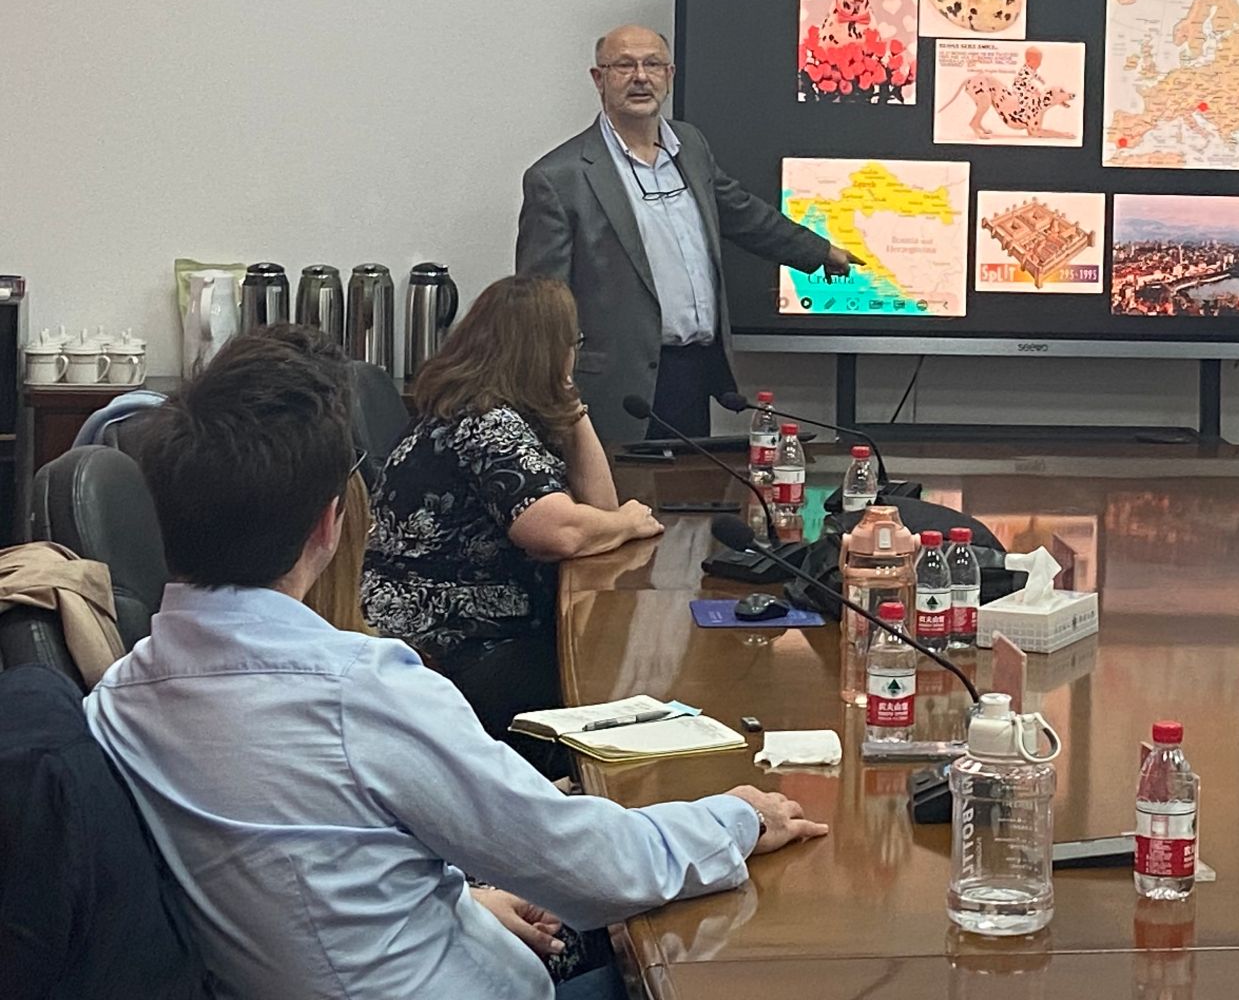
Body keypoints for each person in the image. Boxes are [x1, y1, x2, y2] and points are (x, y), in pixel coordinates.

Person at [84, 333, 827, 1000]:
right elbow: (600, 869)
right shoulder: (359, 692)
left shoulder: (116, 700)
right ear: (330, 523)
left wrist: (461, 899)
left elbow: (286, 863)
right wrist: (738, 817)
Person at [516, 24, 858, 443]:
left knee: (690, 485)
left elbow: (743, 214)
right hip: (613, 388)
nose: (640, 77)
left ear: (670, 75)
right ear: (598, 78)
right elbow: (540, 303)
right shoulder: (559, 178)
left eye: (652, 64)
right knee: (619, 488)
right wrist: (552, 394)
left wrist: (820, 252)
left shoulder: (690, 146)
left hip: (694, 375)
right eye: (624, 65)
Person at [361, 274, 657, 738]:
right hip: (451, 636)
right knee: (611, 682)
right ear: (548, 352)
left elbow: (599, 507)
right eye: (572, 344)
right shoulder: (483, 422)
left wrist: (572, 406)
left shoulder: (492, 411)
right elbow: (558, 535)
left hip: (473, 624)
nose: (574, 356)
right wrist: (627, 523)